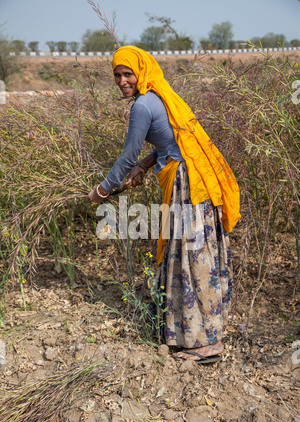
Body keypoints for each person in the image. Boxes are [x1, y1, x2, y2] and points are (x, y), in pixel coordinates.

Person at [88, 45, 241, 364]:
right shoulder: (160, 95)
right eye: (116, 75)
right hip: (193, 176)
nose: (121, 80)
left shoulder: (143, 105)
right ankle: (197, 332)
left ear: (140, 71)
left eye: (127, 73)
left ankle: (206, 344)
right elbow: (170, 143)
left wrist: (101, 191)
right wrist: (144, 166)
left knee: (192, 255)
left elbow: (128, 154)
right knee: (194, 252)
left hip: (188, 185)